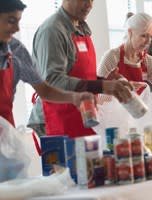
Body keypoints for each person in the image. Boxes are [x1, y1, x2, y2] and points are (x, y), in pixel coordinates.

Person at [28, 0, 133, 137]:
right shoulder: (53, 31)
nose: (89, 4)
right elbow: (52, 81)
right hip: (57, 118)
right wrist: (103, 86)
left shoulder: (82, 29)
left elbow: (81, 75)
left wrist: (104, 81)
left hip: (82, 115)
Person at [0, 0, 101, 128]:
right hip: (51, 120)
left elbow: (45, 90)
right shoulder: (52, 30)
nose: (17, 29)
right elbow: (53, 79)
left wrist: (74, 97)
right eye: (11, 21)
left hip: (5, 133)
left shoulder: (16, 51)